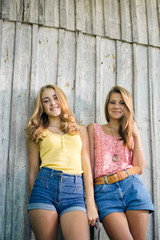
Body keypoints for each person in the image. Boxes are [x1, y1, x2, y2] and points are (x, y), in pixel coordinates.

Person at [25, 84, 98, 240]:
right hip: (44, 189)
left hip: (74, 191)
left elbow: (87, 167)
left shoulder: (79, 130)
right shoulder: (37, 131)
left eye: (55, 97)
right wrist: (34, 200)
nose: (52, 103)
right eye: (46, 100)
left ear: (63, 100)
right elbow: (33, 170)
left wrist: (90, 203)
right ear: (42, 107)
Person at [87, 86, 154, 240]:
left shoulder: (129, 133)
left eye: (122, 103)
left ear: (127, 107)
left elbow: (140, 168)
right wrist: (90, 201)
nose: (117, 106)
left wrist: (136, 135)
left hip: (133, 187)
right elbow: (88, 167)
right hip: (104, 192)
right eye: (112, 102)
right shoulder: (94, 129)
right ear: (107, 105)